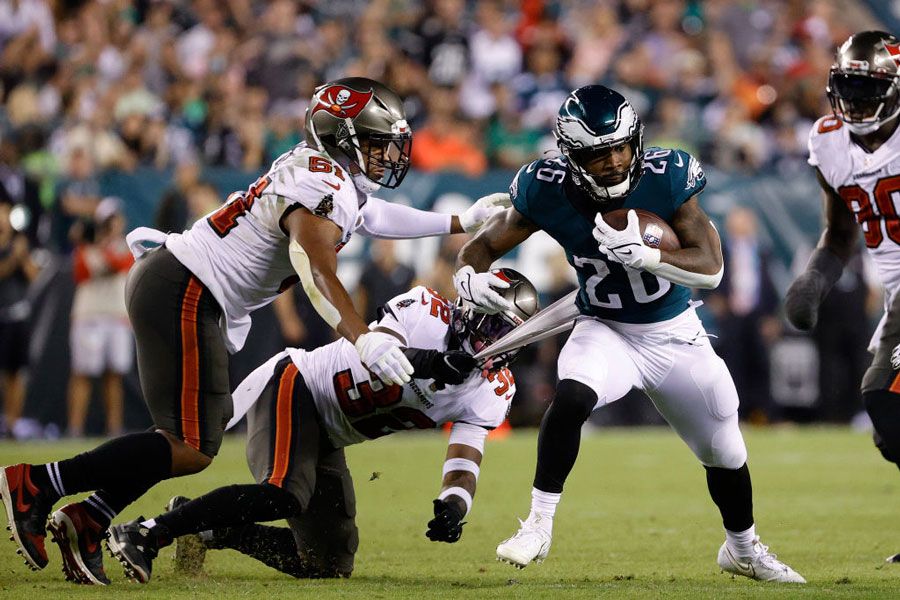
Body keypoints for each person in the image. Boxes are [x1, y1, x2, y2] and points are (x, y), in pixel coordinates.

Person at [0, 77, 507, 586]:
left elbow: (371, 214)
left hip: (189, 287)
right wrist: (363, 335)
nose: (386, 154)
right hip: (187, 286)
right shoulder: (320, 185)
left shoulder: (331, 178)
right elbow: (316, 270)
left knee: (196, 432)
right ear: (340, 136)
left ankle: (91, 516)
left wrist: (459, 221)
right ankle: (39, 484)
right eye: (375, 142)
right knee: (191, 444)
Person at [454, 85, 805, 582]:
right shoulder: (545, 187)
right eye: (599, 155)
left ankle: (743, 549)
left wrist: (652, 256)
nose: (616, 161)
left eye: (622, 147)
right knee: (572, 395)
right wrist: (467, 276)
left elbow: (711, 268)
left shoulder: (667, 177)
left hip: (674, 332)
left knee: (725, 450)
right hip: (605, 326)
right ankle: (537, 523)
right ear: (573, 157)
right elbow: (481, 246)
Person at [103, 271, 537, 582]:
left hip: (331, 432)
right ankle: (146, 533)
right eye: (498, 328)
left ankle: (207, 525)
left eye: (513, 337)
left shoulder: (493, 389)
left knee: (328, 563)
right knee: (284, 493)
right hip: (299, 386)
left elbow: (465, 458)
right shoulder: (426, 309)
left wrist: (454, 508)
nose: (502, 345)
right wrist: (434, 362)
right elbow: (380, 351)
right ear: (473, 313)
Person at [783, 30, 900, 564]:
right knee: (888, 432)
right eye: (846, 86)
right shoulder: (828, 140)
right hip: (895, 291)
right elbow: (839, 234)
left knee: (881, 394)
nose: (853, 101)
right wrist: (813, 281)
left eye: (866, 87)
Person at [67, 197, 135, 437]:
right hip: (90, 314)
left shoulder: (125, 246)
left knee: (114, 374)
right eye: (107, 221)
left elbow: (120, 264)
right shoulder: (86, 248)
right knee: (83, 373)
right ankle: (75, 428)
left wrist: (97, 246)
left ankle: (114, 427)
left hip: (116, 314)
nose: (112, 225)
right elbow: (84, 271)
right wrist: (91, 244)